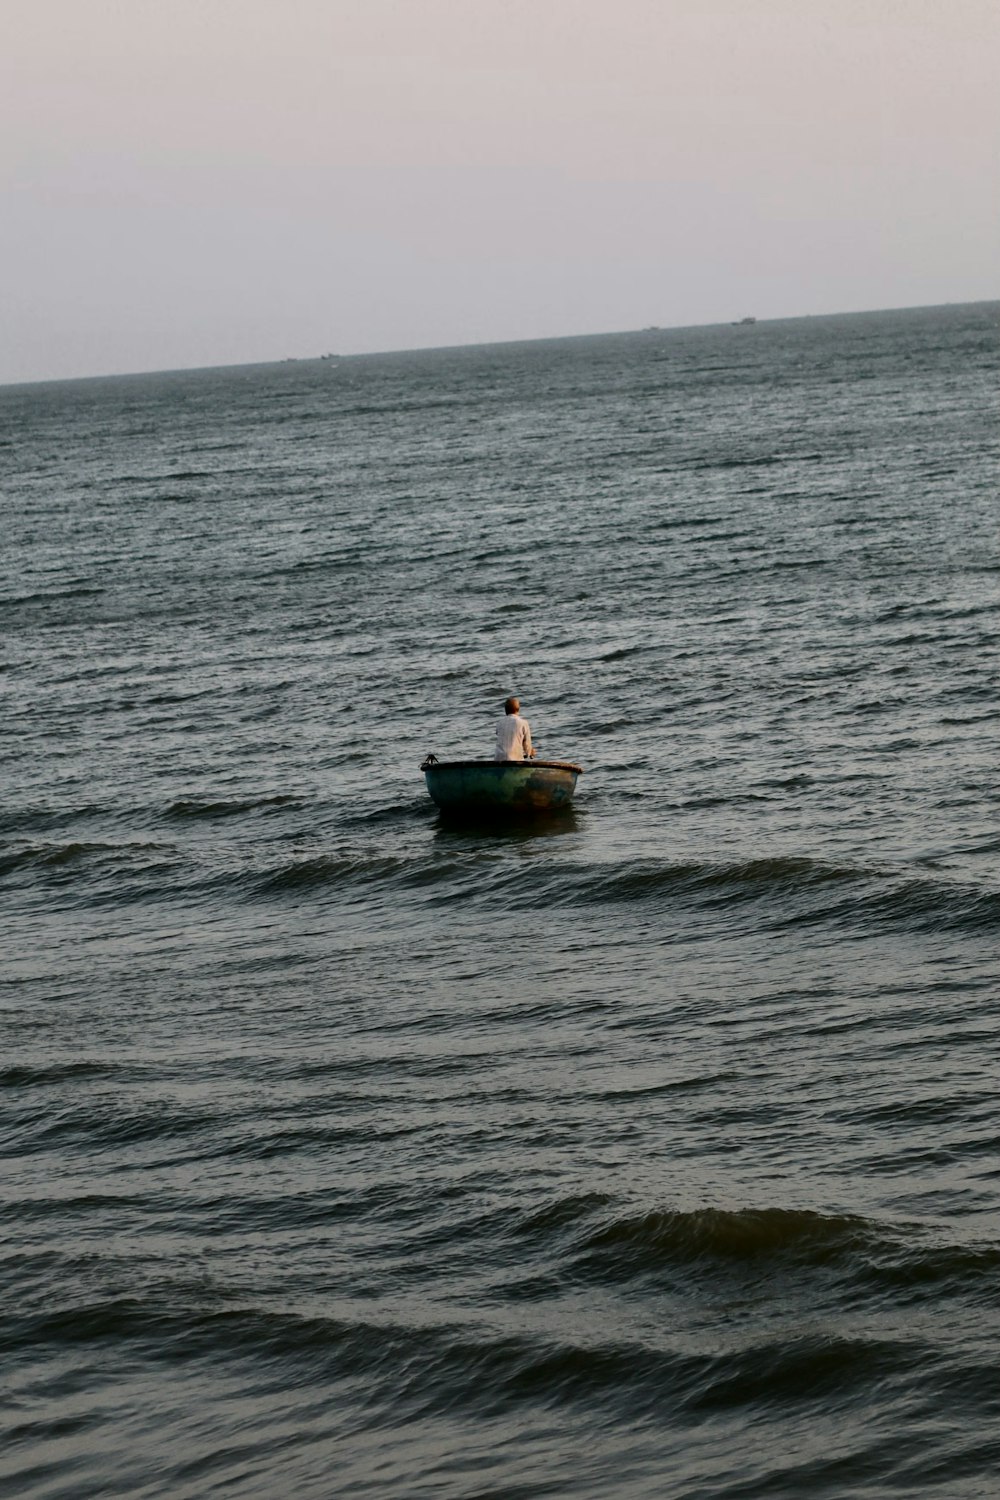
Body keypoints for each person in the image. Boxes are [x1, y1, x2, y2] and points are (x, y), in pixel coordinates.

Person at [494, 696, 536, 760]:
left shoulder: (499, 723)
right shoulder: (523, 723)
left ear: (505, 710)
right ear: (518, 709)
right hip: (515, 760)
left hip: (498, 760)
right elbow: (527, 747)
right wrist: (530, 753)